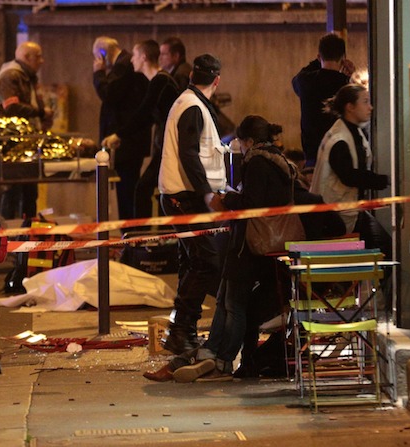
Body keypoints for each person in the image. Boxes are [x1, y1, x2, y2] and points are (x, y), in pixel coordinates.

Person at [145, 115, 296, 382]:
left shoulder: (258, 162)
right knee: (228, 299)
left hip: (250, 243)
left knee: (233, 302)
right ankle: (215, 354)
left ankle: (223, 358)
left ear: (248, 141)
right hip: (259, 243)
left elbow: (252, 202)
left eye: (241, 142)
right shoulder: (278, 161)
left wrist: (227, 199)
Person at [157, 54, 227, 355]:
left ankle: (182, 331)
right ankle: (181, 331)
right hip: (185, 197)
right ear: (217, 80)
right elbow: (189, 154)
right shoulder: (193, 107)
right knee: (206, 262)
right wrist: (207, 194)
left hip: (182, 196)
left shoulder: (189, 101)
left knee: (192, 263)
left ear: (190, 77)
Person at [101, 39, 179, 222]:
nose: (131, 60)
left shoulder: (160, 81)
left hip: (170, 148)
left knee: (142, 189)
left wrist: (118, 134)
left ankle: (140, 239)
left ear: (143, 57)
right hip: (168, 147)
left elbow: (143, 114)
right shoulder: (158, 81)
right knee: (149, 190)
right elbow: (148, 118)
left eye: (135, 56)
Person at [309, 83, 390, 253]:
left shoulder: (351, 130)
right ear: (350, 107)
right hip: (337, 213)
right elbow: (348, 175)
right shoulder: (340, 138)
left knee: (381, 247)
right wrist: (383, 180)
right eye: (365, 102)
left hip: (347, 209)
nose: (370, 107)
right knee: (383, 248)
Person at [92, 36, 151, 222]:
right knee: (127, 191)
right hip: (128, 141)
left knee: (127, 193)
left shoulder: (123, 66)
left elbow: (108, 94)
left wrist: (98, 74)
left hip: (126, 143)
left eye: (97, 57)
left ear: (103, 54)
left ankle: (131, 238)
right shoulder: (124, 65)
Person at [0, 41, 54, 219]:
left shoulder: (27, 76)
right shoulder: (11, 75)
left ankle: (28, 230)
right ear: (27, 57)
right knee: (13, 190)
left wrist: (43, 119)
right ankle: (11, 234)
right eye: (39, 56)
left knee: (29, 191)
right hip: (12, 142)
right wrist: (41, 112)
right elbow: (11, 107)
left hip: (27, 141)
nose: (42, 61)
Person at [292, 33, 355, 166]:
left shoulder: (305, 81)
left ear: (319, 56)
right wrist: (352, 75)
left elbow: (296, 78)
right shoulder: (345, 86)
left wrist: (317, 61)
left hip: (313, 156)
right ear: (343, 58)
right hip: (340, 154)